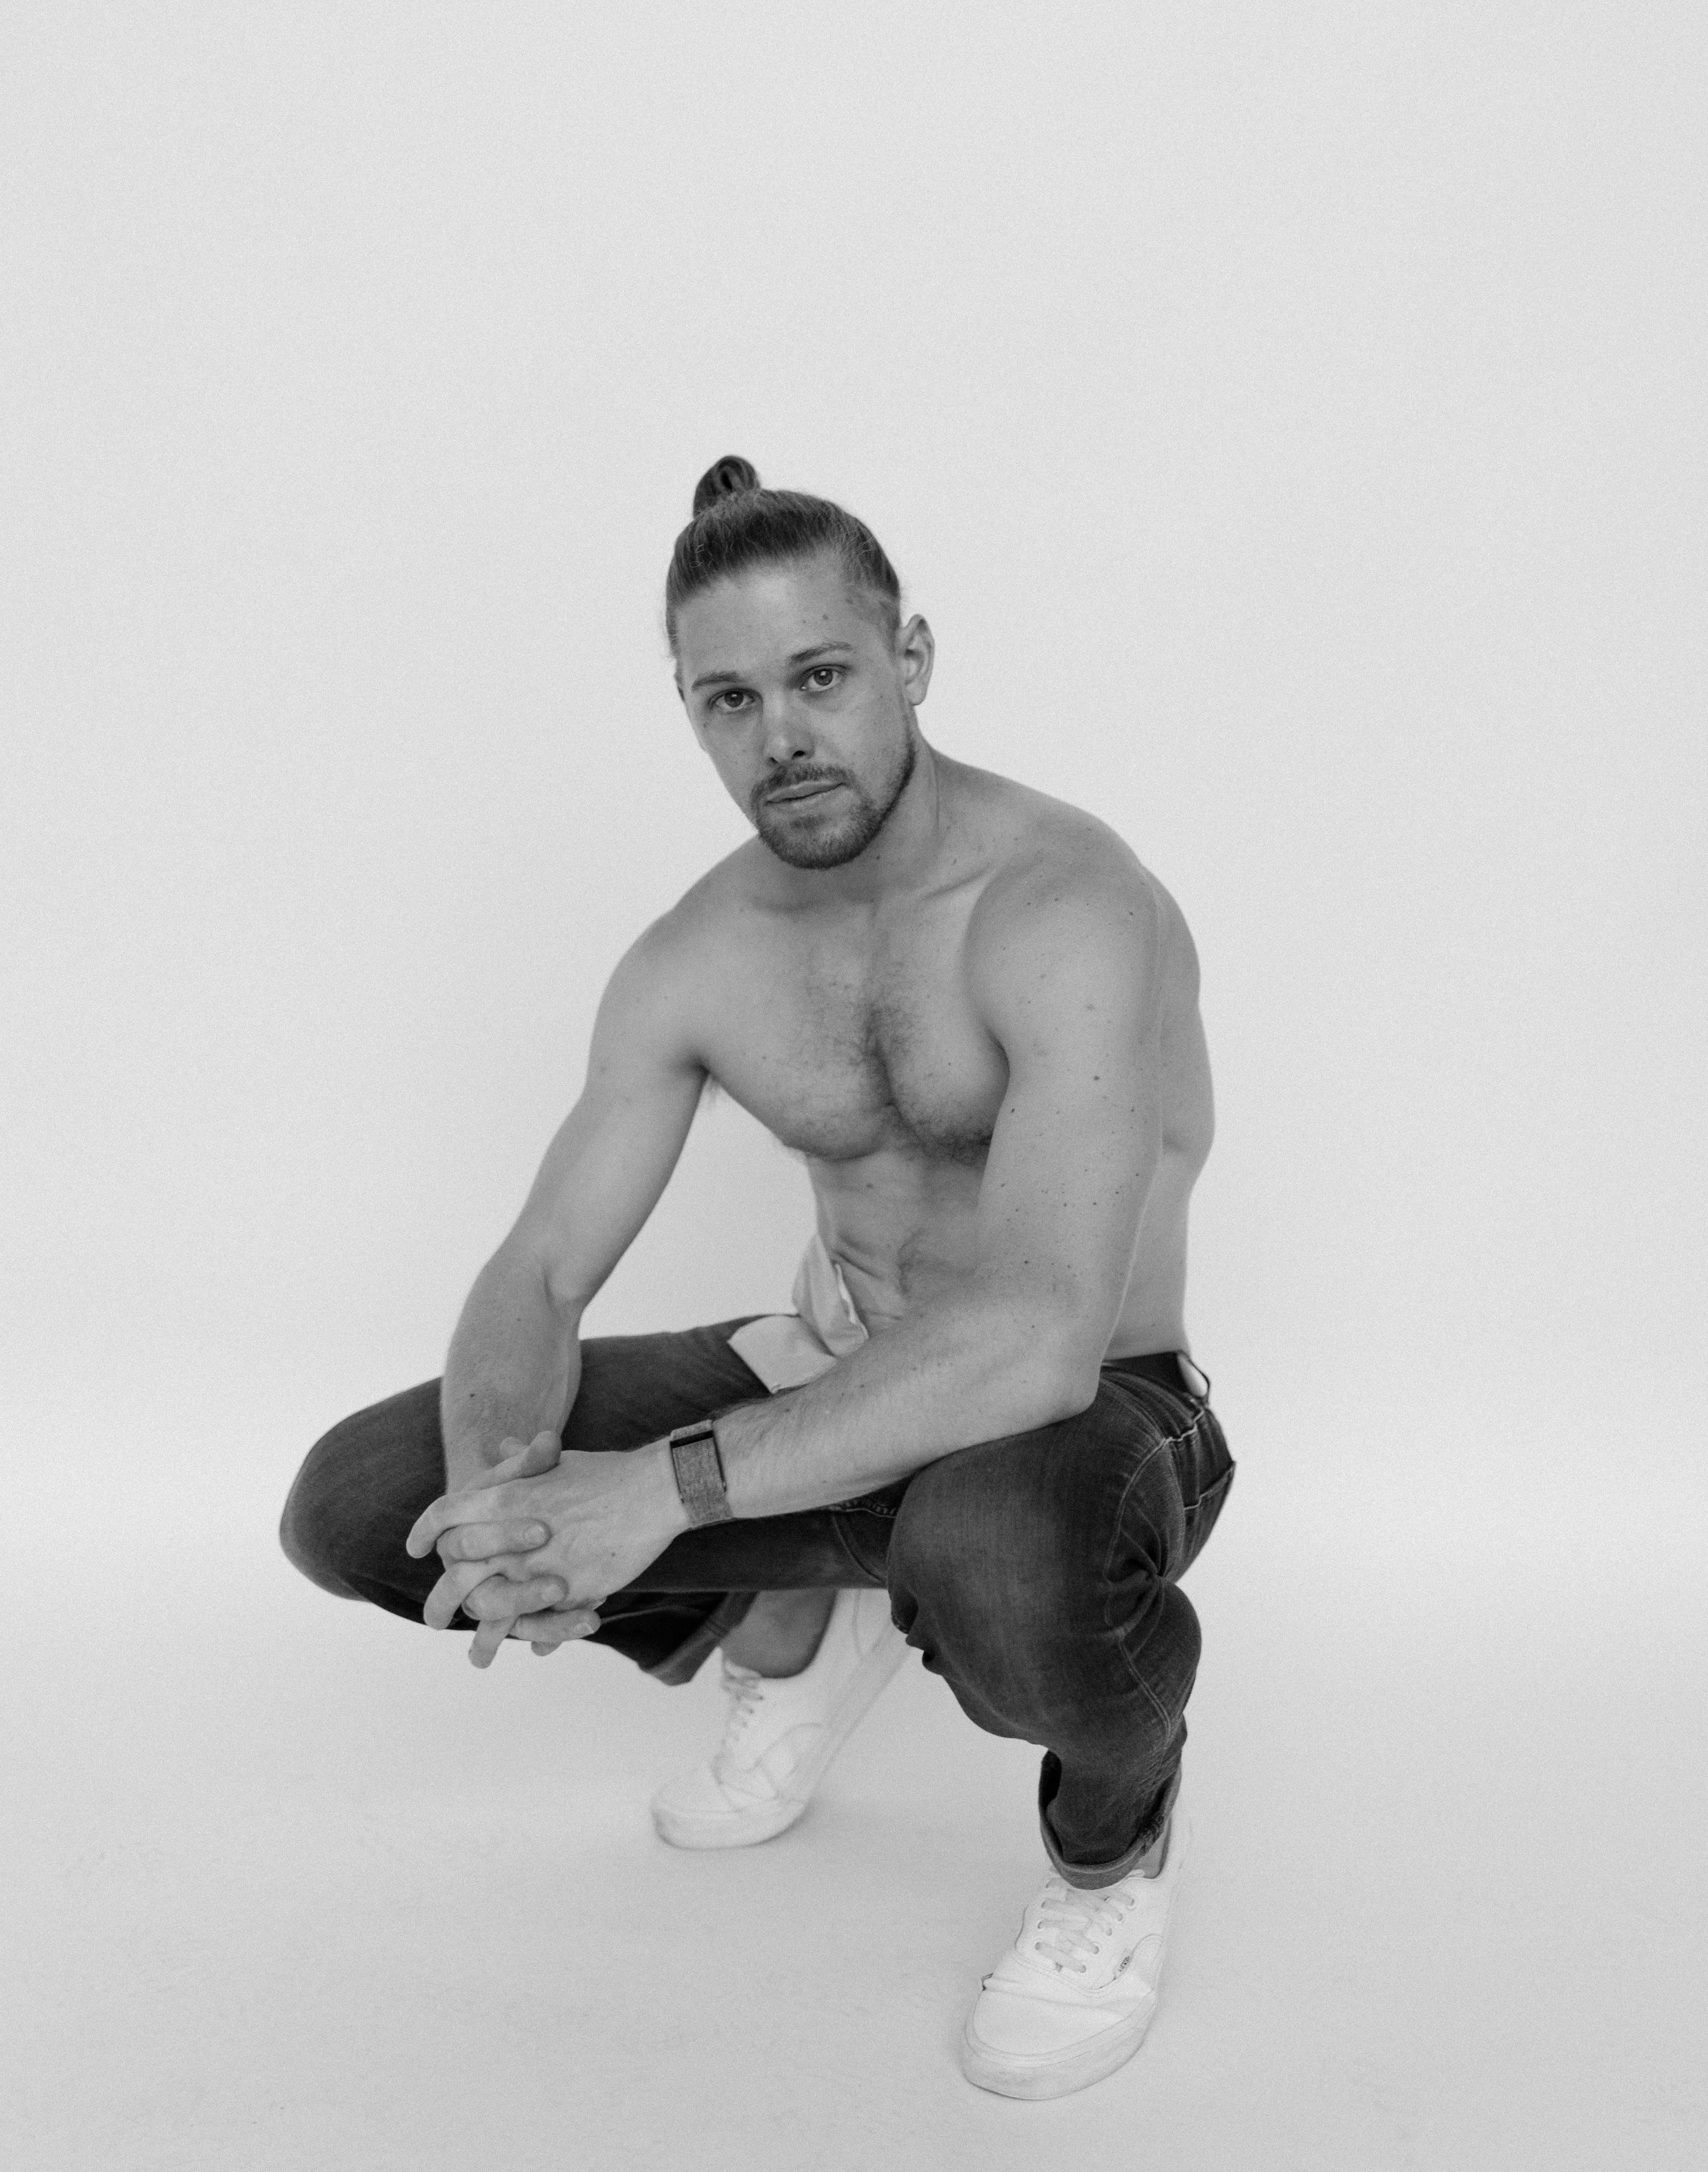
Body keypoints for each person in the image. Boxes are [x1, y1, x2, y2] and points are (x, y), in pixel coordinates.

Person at [281, 459, 1234, 2102]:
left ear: (908, 661)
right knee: (370, 1502)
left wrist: (653, 1493)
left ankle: (1110, 1856)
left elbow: (1035, 1337)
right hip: (835, 1373)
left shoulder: (1066, 905)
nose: (778, 735)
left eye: (819, 677)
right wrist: (508, 1503)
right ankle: (802, 1607)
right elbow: (539, 1270)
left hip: (1090, 1410)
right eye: (729, 699)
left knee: (995, 1550)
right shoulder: (697, 954)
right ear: (689, 711)